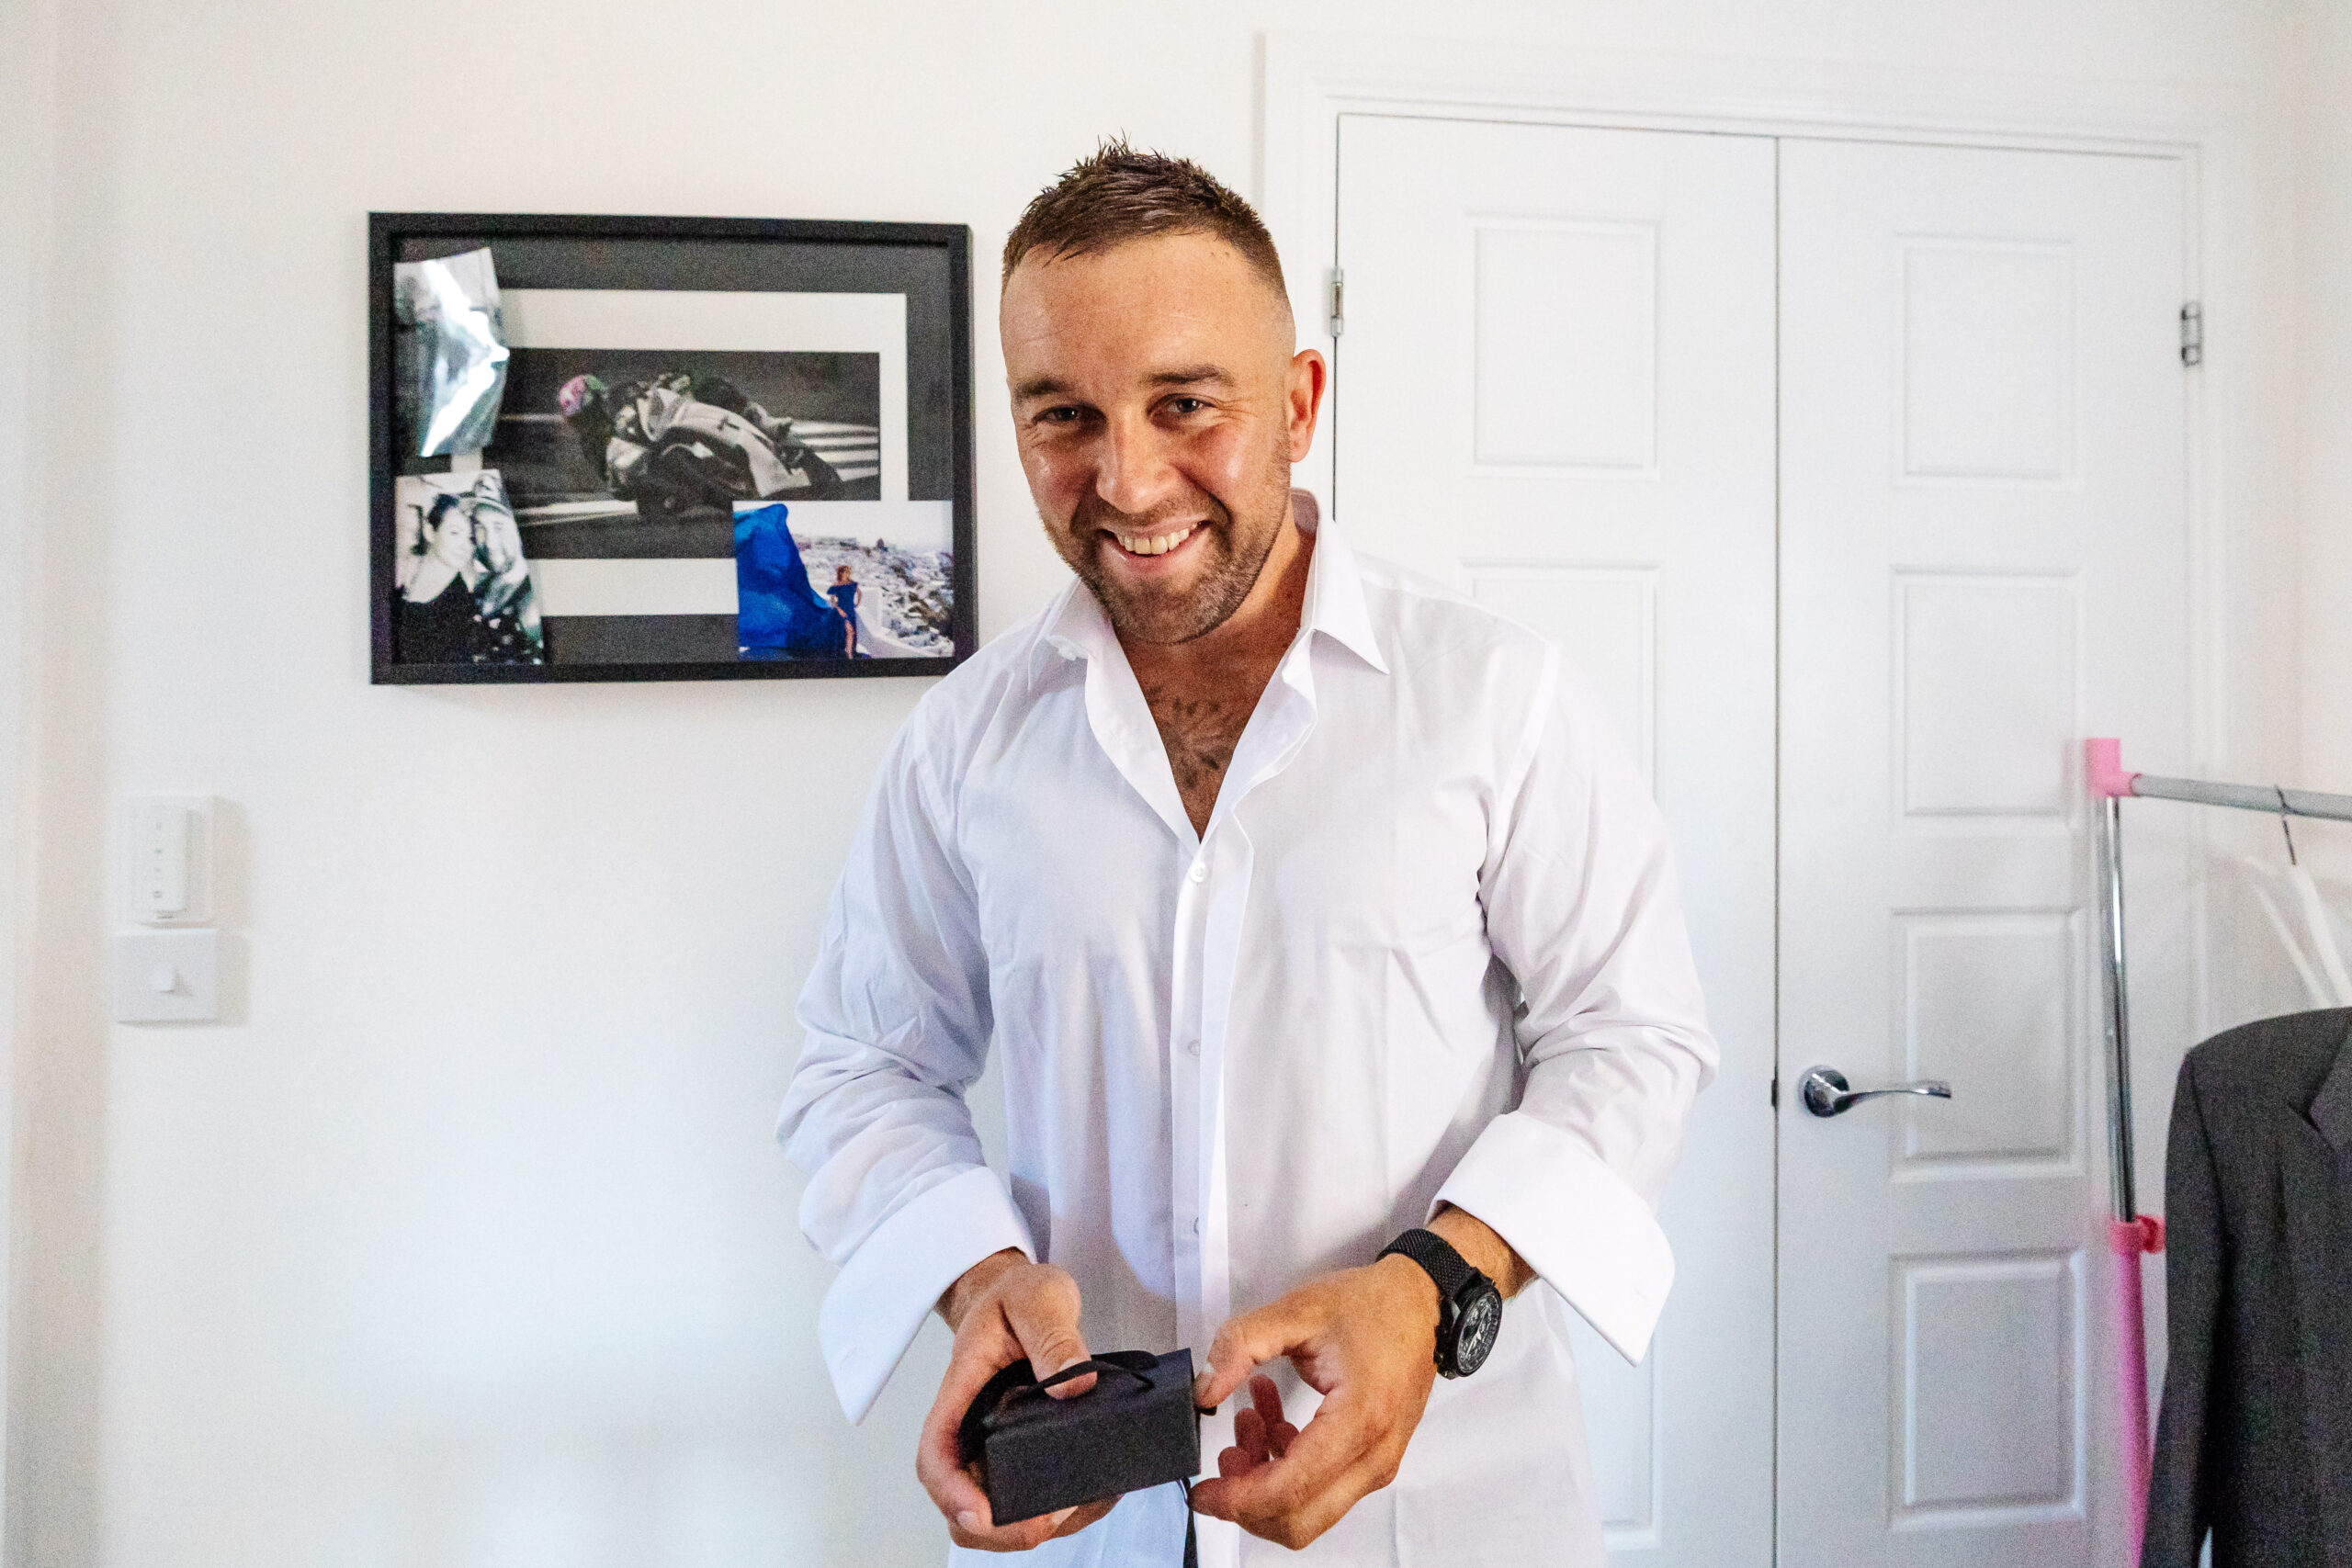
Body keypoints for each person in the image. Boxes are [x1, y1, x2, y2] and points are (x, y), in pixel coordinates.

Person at [777, 144, 1717, 1567]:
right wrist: (972, 1280)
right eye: (1065, 415)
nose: (1127, 477)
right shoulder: (962, 743)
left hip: (1447, 1516)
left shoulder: (1496, 697)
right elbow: (861, 1064)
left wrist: (1434, 1284)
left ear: (1297, 403)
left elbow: (1633, 1037)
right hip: (1095, 1527)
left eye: (1182, 404)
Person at [827, 564, 862, 657]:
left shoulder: (853, 584)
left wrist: (857, 604)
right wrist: (838, 609)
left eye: (845, 572)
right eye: (841, 572)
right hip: (841, 610)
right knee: (849, 631)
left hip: (850, 610)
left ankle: (849, 652)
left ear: (848, 573)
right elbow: (832, 599)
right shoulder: (836, 585)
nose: (843, 574)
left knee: (850, 632)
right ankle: (848, 653)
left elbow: (859, 593)